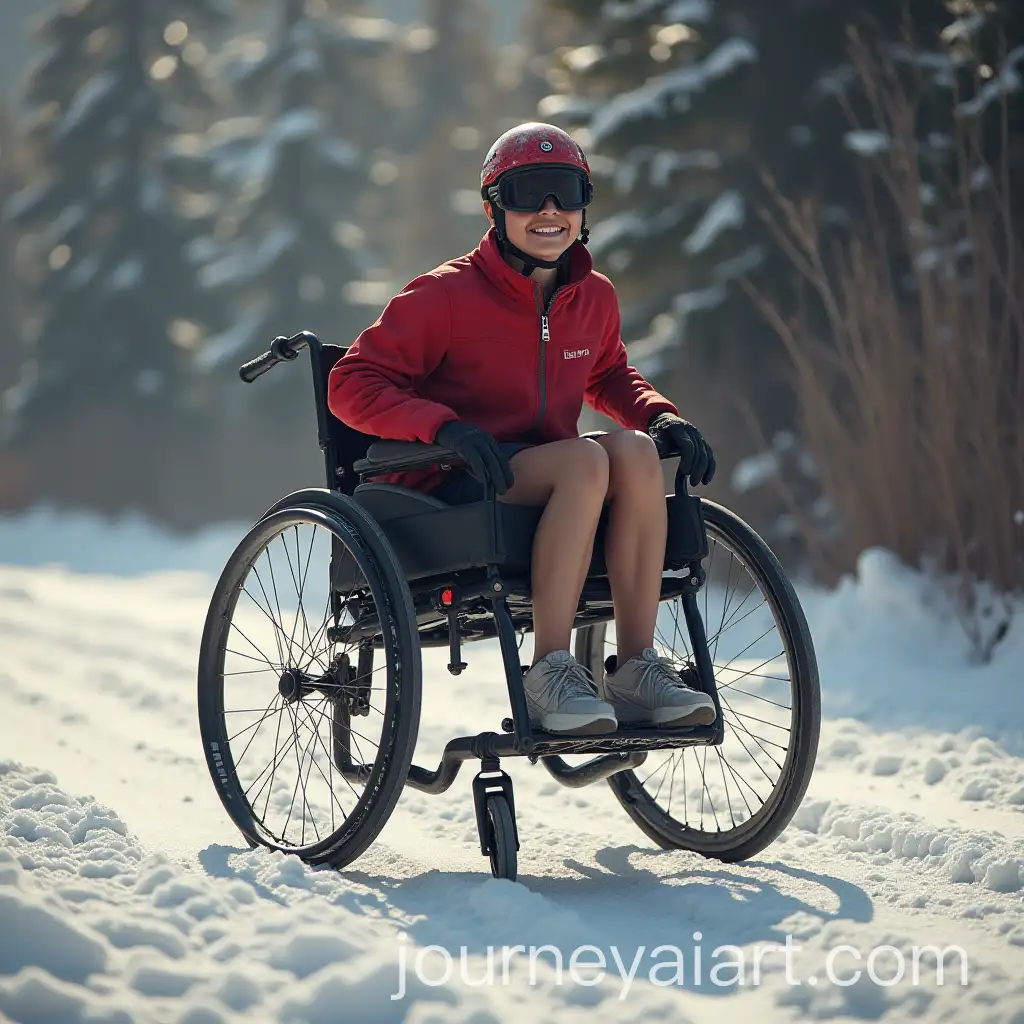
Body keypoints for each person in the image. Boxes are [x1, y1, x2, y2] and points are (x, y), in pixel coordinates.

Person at [328, 122, 717, 737]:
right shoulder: (443, 296)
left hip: (549, 479)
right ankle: (550, 671)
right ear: (493, 206)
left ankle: (637, 666)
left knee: (638, 454)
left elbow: (610, 373)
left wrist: (659, 414)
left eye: (565, 192)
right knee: (587, 462)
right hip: (453, 483)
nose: (549, 210)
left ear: (584, 206)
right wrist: (443, 428)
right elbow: (351, 384)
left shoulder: (594, 298)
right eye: (528, 193)